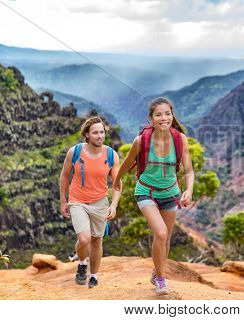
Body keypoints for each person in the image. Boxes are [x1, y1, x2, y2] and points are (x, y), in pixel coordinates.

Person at [113, 97, 194, 295]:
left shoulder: (180, 139)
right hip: (146, 192)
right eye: (158, 114)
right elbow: (127, 162)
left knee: (165, 241)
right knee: (161, 233)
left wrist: (189, 190)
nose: (163, 118)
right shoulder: (141, 141)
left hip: (170, 193)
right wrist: (116, 180)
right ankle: (161, 279)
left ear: (172, 116)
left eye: (167, 113)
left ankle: (156, 271)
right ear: (151, 119)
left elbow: (189, 170)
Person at [59, 116, 121, 288]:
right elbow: (64, 176)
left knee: (96, 241)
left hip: (100, 202)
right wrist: (63, 201)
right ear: (86, 134)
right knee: (84, 238)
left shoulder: (111, 155)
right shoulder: (75, 152)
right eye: (95, 133)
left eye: (102, 132)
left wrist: (113, 204)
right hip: (77, 200)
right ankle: (81, 263)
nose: (100, 136)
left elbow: (117, 185)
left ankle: (93, 275)